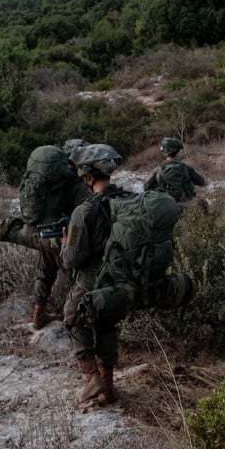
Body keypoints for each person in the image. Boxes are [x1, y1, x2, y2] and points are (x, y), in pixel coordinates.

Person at [0, 139, 88, 330]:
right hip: (66, 239)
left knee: (44, 274)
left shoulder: (51, 180)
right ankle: (77, 322)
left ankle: (38, 314)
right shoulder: (76, 183)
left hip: (47, 234)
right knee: (78, 278)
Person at [60, 143, 130, 405]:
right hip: (121, 280)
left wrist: (65, 244)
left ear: (88, 177)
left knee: (72, 315)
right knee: (106, 324)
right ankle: (109, 387)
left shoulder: (83, 211)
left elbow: (72, 260)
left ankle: (92, 377)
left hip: (93, 281)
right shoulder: (128, 200)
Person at [143, 137, 206, 203]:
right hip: (185, 206)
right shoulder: (187, 168)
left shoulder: (157, 170)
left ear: (164, 151)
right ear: (177, 151)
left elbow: (146, 187)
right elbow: (201, 182)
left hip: (166, 206)